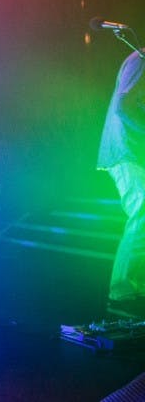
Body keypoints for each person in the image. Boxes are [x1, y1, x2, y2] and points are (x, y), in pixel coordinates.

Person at [98, 47, 145, 319]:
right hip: (128, 152)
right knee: (142, 213)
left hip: (135, 151)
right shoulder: (140, 59)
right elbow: (124, 105)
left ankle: (134, 292)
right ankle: (122, 294)